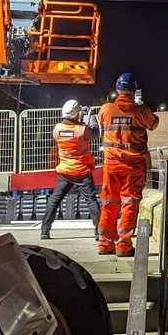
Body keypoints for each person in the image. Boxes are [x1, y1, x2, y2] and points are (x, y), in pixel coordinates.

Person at [97, 72, 159, 257]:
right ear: (134, 91)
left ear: (117, 89)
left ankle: (105, 244)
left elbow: (100, 120)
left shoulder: (106, 109)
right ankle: (123, 245)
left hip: (111, 165)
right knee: (129, 203)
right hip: (133, 167)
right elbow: (154, 123)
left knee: (109, 203)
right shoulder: (141, 112)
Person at [39, 99, 100, 240]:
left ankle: (45, 230)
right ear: (76, 114)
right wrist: (90, 116)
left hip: (65, 171)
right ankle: (99, 231)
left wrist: (80, 118)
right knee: (91, 200)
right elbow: (95, 132)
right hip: (82, 171)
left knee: (54, 200)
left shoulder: (57, 129)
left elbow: (72, 130)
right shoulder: (82, 130)